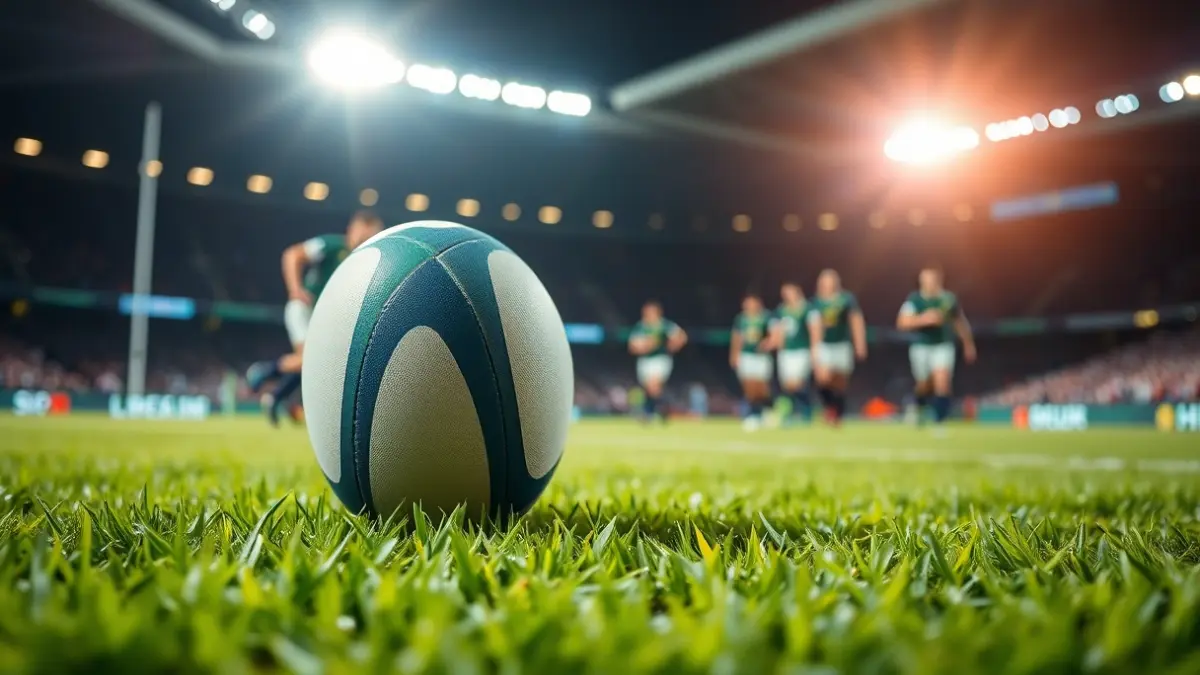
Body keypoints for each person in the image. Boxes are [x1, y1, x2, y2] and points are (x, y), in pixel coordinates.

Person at [246, 210, 383, 426]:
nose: (367, 240)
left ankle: (276, 398)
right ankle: (264, 371)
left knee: (314, 365)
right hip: (304, 310)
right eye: (365, 235)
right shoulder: (332, 246)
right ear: (353, 228)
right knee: (310, 359)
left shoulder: (363, 261)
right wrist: (295, 288)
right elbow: (293, 254)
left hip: (324, 320)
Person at [896, 266, 976, 428]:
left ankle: (940, 421)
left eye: (931, 279)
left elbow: (959, 322)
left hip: (943, 344)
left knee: (942, 381)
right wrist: (924, 319)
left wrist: (968, 344)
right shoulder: (914, 300)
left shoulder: (948, 299)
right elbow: (902, 323)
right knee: (924, 384)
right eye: (924, 280)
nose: (928, 283)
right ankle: (917, 407)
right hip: (921, 346)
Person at [807, 270, 867, 426]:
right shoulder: (816, 303)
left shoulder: (846, 299)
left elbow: (856, 320)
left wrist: (860, 343)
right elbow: (815, 326)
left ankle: (838, 413)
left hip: (842, 345)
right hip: (825, 345)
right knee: (822, 378)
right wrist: (814, 348)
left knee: (840, 382)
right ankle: (829, 409)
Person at [628, 301, 687, 423]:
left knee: (653, 385)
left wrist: (674, 345)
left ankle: (649, 412)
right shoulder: (641, 327)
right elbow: (632, 346)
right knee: (649, 389)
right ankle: (661, 409)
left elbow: (681, 336)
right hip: (645, 360)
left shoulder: (664, 325)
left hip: (660, 359)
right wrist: (643, 346)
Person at [770, 282, 813, 424]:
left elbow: (814, 329)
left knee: (797, 383)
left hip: (801, 350)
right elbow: (777, 332)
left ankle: (805, 411)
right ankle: (791, 413)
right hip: (786, 352)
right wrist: (773, 344)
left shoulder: (806, 309)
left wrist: (815, 349)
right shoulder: (781, 310)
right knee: (787, 385)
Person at [730, 294, 773, 431]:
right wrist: (734, 354)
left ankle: (767, 409)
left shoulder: (766, 317)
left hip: (761, 357)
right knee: (749, 387)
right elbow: (737, 337)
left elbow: (774, 333)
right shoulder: (741, 319)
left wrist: (768, 343)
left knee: (760, 388)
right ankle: (754, 414)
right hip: (746, 356)